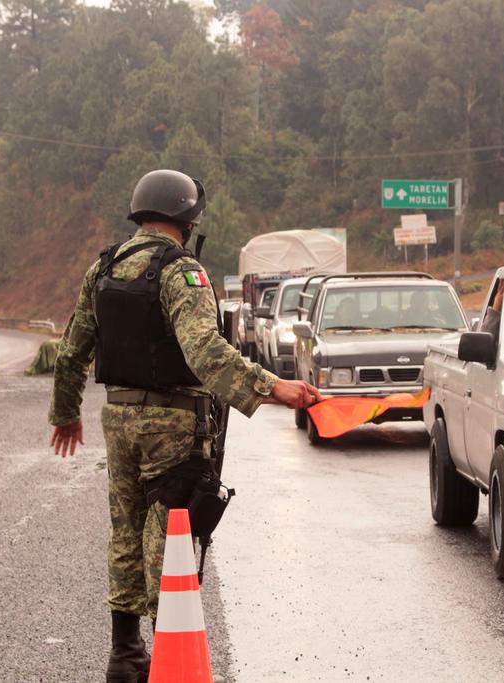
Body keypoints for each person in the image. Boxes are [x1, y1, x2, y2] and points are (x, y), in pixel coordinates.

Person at [47, 169, 322, 683]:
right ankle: (171, 651)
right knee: (170, 531)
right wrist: (272, 386)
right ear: (187, 219)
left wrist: (65, 414)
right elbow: (205, 352)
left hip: (118, 418)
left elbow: (70, 354)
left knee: (125, 530)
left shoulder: (103, 268)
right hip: (171, 423)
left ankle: (124, 653)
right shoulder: (182, 272)